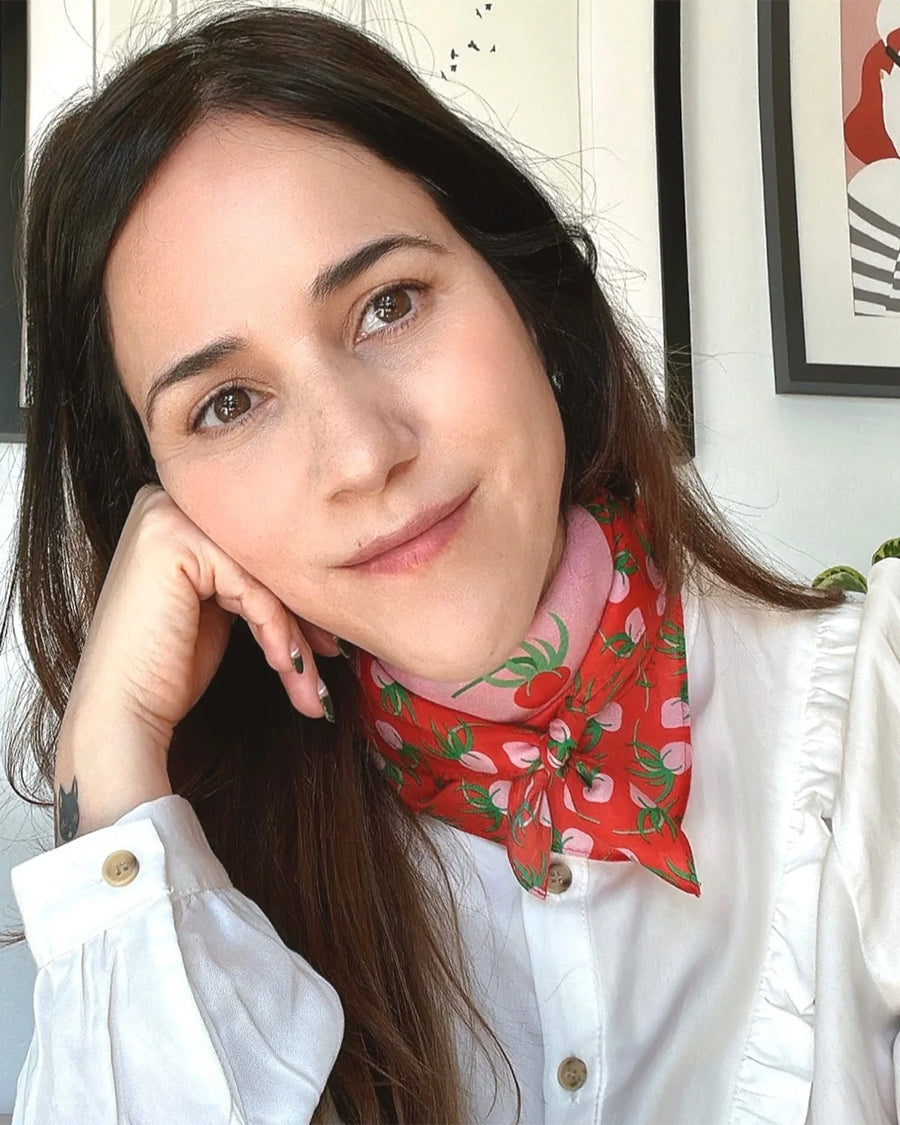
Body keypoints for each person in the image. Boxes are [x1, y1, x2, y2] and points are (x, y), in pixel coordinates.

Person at [3, 6, 899, 1124]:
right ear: (157, 496)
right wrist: (116, 773)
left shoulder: (869, 716)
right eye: (228, 403)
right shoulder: (202, 843)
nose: (366, 455)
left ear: (527, 297)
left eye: (388, 305)